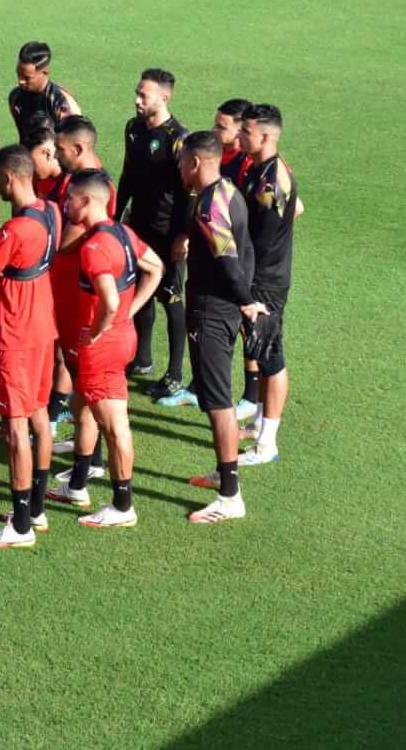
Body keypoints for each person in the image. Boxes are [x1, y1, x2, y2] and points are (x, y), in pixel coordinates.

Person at [53, 171, 163, 526]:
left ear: (86, 201)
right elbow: (156, 268)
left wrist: (99, 330)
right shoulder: (122, 232)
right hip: (120, 337)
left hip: (103, 348)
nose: (65, 204)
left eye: (70, 198)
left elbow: (110, 300)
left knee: (115, 427)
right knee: (82, 407)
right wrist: (129, 313)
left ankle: (122, 506)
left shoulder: (94, 247)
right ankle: (78, 484)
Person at [173, 132, 265, 524]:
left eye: (182, 162)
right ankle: (223, 473)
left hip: (212, 312)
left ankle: (230, 496)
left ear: (195, 162)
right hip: (223, 309)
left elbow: (228, 259)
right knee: (217, 400)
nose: (179, 169)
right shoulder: (229, 190)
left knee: (218, 403)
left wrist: (245, 301)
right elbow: (244, 251)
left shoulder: (209, 206)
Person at [0, 146, 57, 549]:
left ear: (10, 178)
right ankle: (35, 510)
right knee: (39, 416)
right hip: (44, 328)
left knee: (14, 428)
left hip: (17, 337)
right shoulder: (51, 212)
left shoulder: (14, 231)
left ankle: (20, 526)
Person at [158, 98, 258, 413]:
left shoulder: (248, 165)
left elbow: (288, 209)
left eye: (221, 126)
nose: (215, 130)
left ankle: (250, 398)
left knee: (245, 328)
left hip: (237, 259)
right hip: (219, 249)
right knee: (215, 341)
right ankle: (199, 387)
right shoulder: (218, 163)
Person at [115, 68, 191, 401]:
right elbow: (127, 176)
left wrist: (183, 236)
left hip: (167, 231)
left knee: (171, 299)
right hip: (137, 226)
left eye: (143, 95)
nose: (137, 100)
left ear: (164, 97)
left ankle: (175, 374)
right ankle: (142, 358)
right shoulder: (133, 129)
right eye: (137, 92)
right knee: (138, 289)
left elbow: (189, 191)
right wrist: (116, 219)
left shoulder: (179, 138)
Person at [48, 117, 116, 475]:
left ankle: (92, 462)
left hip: (79, 299)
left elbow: (68, 241)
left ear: (78, 149)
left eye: (60, 149)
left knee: (87, 382)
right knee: (78, 379)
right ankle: (83, 444)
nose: (55, 154)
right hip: (66, 294)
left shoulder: (93, 187)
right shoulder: (73, 181)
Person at [236, 104, 301, 467]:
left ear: (265, 136)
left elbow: (258, 240)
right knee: (259, 350)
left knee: (271, 357)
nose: (239, 136)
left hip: (266, 283)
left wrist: (248, 285)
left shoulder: (270, 183)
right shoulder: (261, 169)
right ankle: (260, 421)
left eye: (245, 131)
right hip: (262, 276)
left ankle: (267, 444)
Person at [7, 41, 82, 138]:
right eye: (18, 74)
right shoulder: (15, 96)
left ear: (45, 72)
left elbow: (73, 141)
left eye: (27, 78)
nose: (20, 81)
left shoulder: (61, 102)